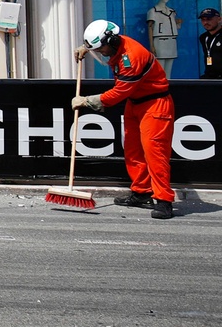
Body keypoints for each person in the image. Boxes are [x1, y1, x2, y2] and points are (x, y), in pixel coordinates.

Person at [74, 19, 175, 219]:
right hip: (135, 103)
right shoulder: (116, 44)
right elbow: (123, 91)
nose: (101, 53)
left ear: (111, 41)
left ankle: (164, 201)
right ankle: (141, 192)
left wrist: (87, 101)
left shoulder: (132, 57)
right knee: (133, 150)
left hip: (154, 105)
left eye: (100, 49)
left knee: (155, 154)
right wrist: (87, 48)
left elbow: (119, 93)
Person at [146, 0, 182, 75]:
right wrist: (152, 45)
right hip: (160, 42)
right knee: (160, 69)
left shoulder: (171, 11)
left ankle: (168, 82)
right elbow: (150, 28)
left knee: (169, 70)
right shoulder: (153, 11)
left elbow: (175, 27)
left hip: (171, 41)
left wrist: (178, 23)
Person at [198, 7, 222, 79]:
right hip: (209, 76)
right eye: (203, 20)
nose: (206, 22)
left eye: (209, 19)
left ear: (219, 19)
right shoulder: (203, 37)